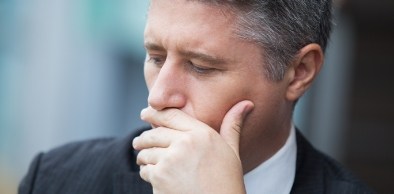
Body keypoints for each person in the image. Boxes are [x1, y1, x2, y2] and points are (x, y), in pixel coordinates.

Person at [19, 0, 374, 193]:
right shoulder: (55, 180)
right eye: (155, 57)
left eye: (201, 67)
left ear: (299, 72)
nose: (158, 98)